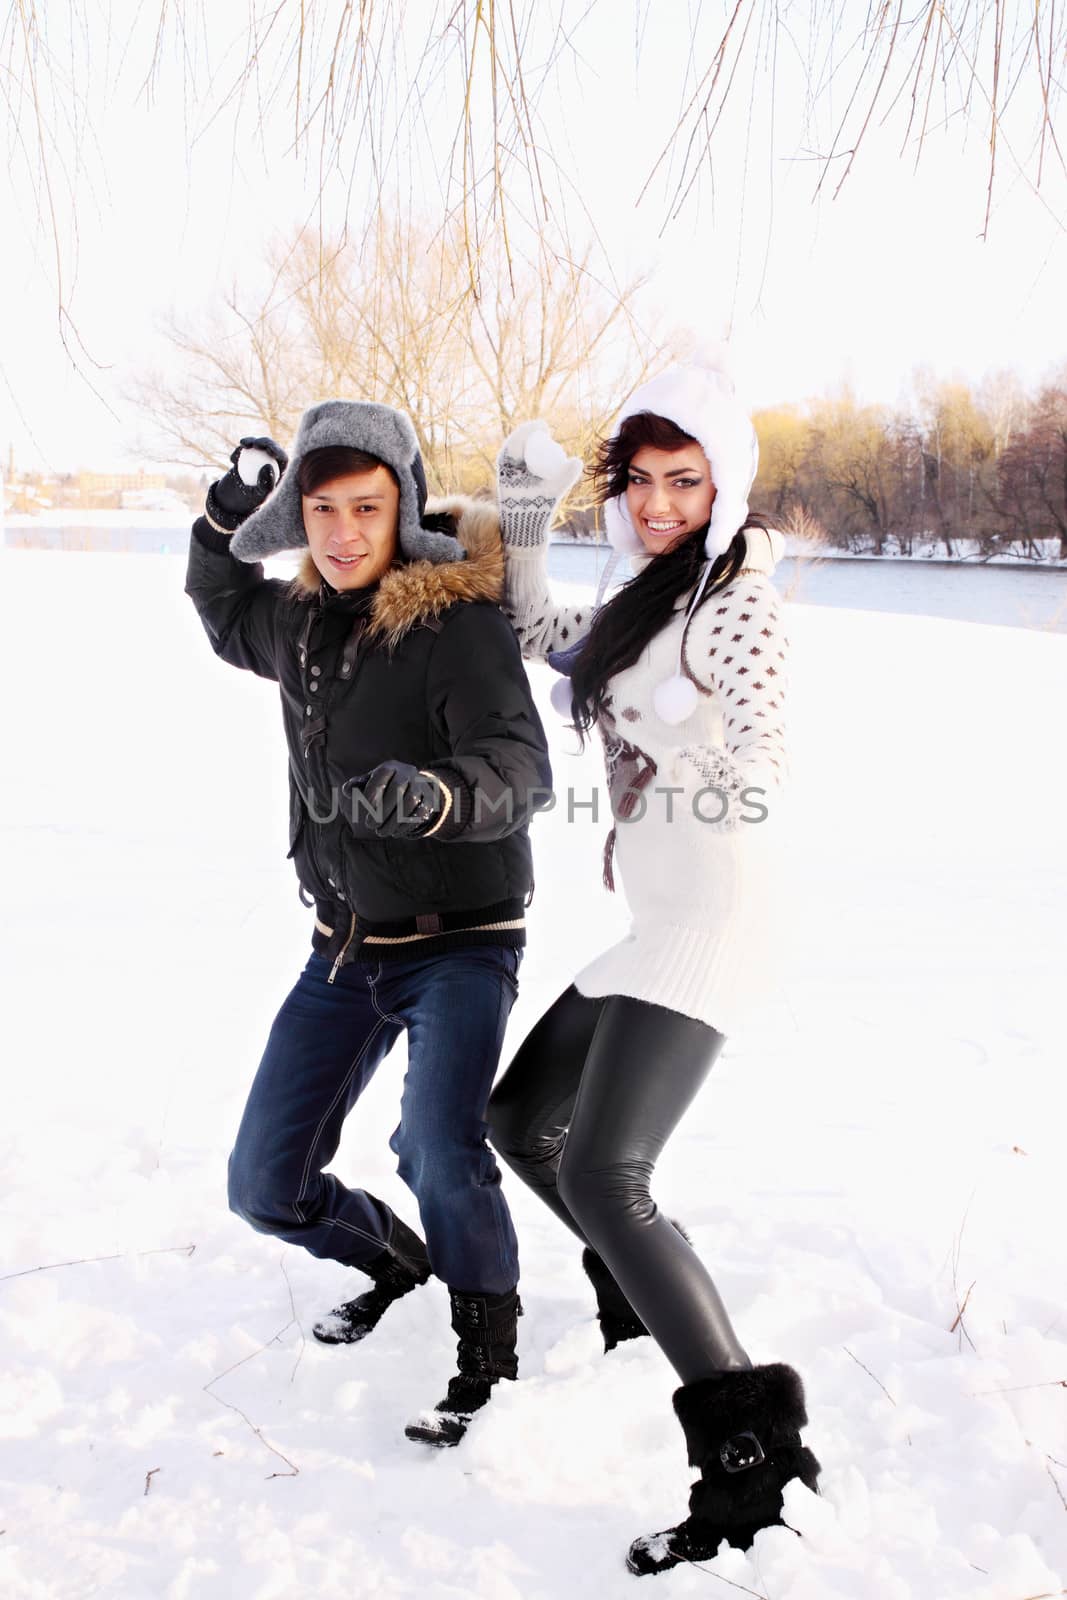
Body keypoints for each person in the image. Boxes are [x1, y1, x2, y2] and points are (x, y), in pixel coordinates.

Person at [487, 366, 821, 1573]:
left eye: (688, 481)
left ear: (722, 487)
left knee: (604, 1167)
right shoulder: (645, 596)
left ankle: (755, 1472)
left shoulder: (733, 603)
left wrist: (687, 744)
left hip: (719, 913)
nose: (664, 501)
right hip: (660, 916)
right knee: (520, 1118)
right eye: (642, 482)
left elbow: (766, 754)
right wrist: (524, 518)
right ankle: (639, 1294)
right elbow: (543, 636)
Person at [184, 400, 552, 1447]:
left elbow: (519, 766)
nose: (342, 531)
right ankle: (394, 1258)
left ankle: (489, 1354)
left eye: (366, 506)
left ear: (404, 508)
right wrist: (219, 522)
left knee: (438, 1142)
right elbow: (219, 607)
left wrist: (438, 795)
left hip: (460, 941)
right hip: (344, 947)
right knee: (263, 1183)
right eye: (321, 508)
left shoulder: (455, 625)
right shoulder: (298, 622)